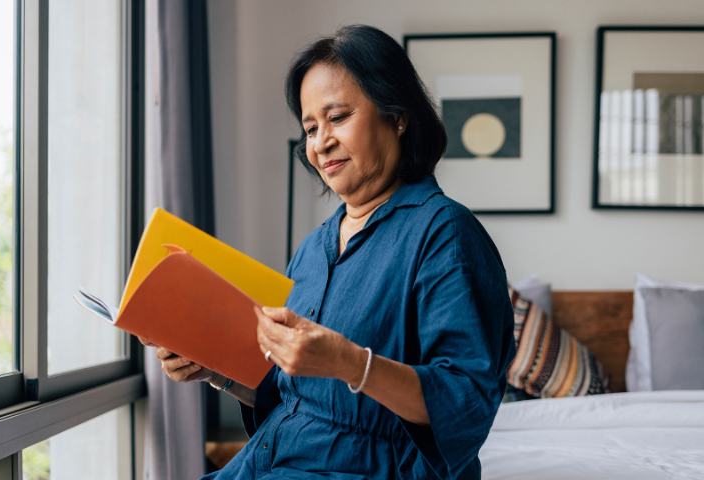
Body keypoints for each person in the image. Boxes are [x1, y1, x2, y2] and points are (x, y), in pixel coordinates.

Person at [151, 24, 514, 479]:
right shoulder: (313, 248)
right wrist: (216, 371)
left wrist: (350, 363)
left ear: (397, 116)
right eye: (310, 127)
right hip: (273, 457)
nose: (320, 142)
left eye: (338, 117)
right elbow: (295, 395)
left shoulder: (446, 234)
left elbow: (466, 401)